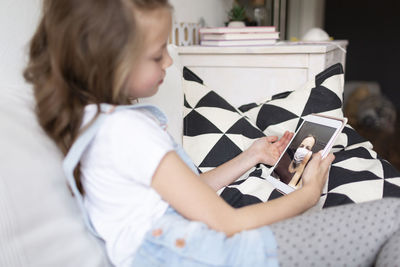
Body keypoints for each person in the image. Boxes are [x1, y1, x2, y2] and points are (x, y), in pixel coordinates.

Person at [24, 0, 400, 266]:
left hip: (184, 251)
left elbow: (183, 193)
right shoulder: (125, 131)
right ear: (109, 60)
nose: (170, 62)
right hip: (207, 256)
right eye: (157, 55)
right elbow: (227, 223)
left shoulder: (98, 125)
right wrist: (308, 195)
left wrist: (251, 155)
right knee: (393, 216)